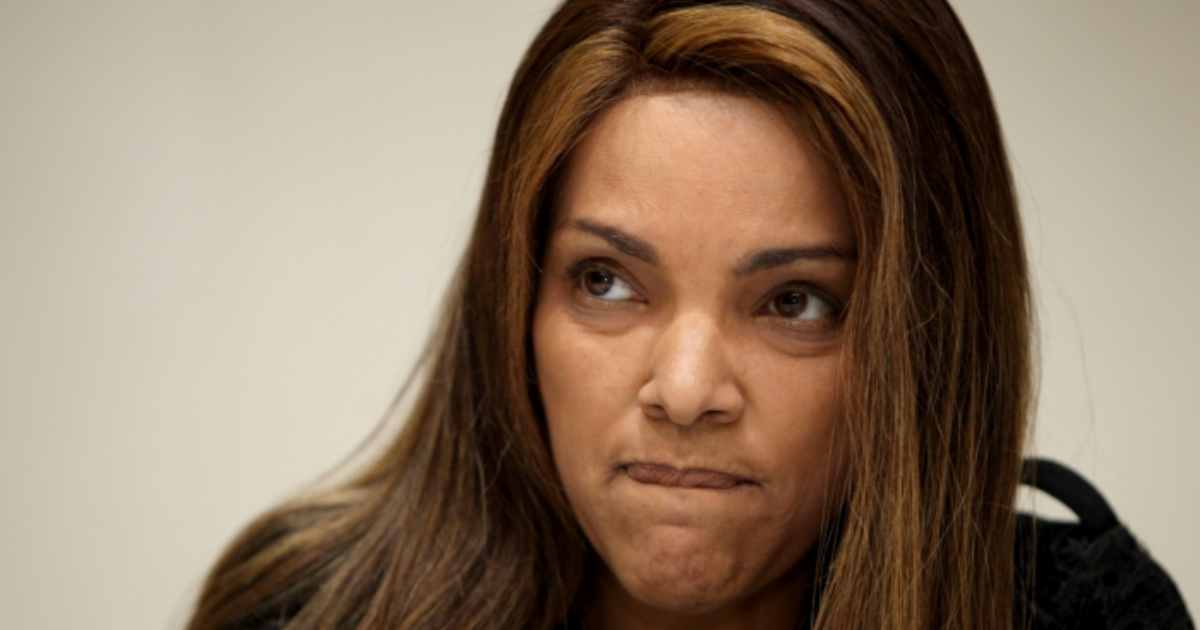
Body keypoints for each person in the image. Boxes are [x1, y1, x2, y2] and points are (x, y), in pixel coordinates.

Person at [185, 1, 1193, 629]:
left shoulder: (1079, 619)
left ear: (929, 345)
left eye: (795, 302)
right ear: (515, 302)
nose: (684, 390)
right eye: (606, 282)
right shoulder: (308, 612)